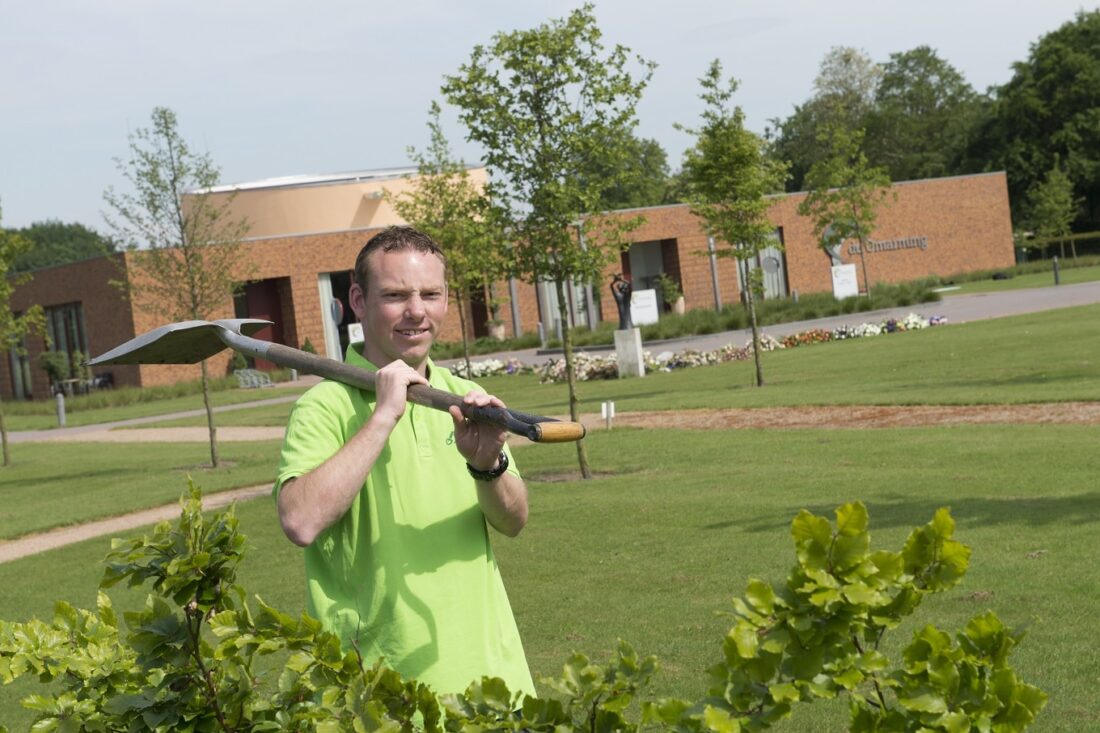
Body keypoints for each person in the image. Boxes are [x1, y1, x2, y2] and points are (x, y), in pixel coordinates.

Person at [274, 225, 534, 698]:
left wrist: (487, 463)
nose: (416, 311)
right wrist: (383, 417)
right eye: (395, 295)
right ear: (358, 299)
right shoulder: (323, 407)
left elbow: (514, 521)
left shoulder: (462, 397)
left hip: (495, 682)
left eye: (430, 294)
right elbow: (300, 521)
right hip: (381, 693)